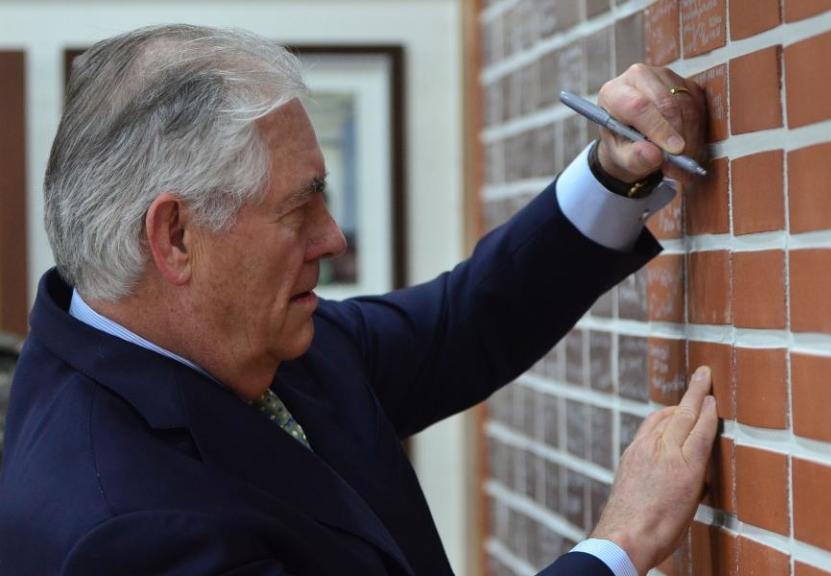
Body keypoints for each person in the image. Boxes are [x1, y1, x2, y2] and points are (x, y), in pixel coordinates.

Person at [0, 24, 716, 575]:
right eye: (299, 208)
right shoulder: (123, 528)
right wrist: (621, 544)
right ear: (177, 236)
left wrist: (614, 172)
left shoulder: (240, 341)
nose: (334, 238)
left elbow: (462, 325)